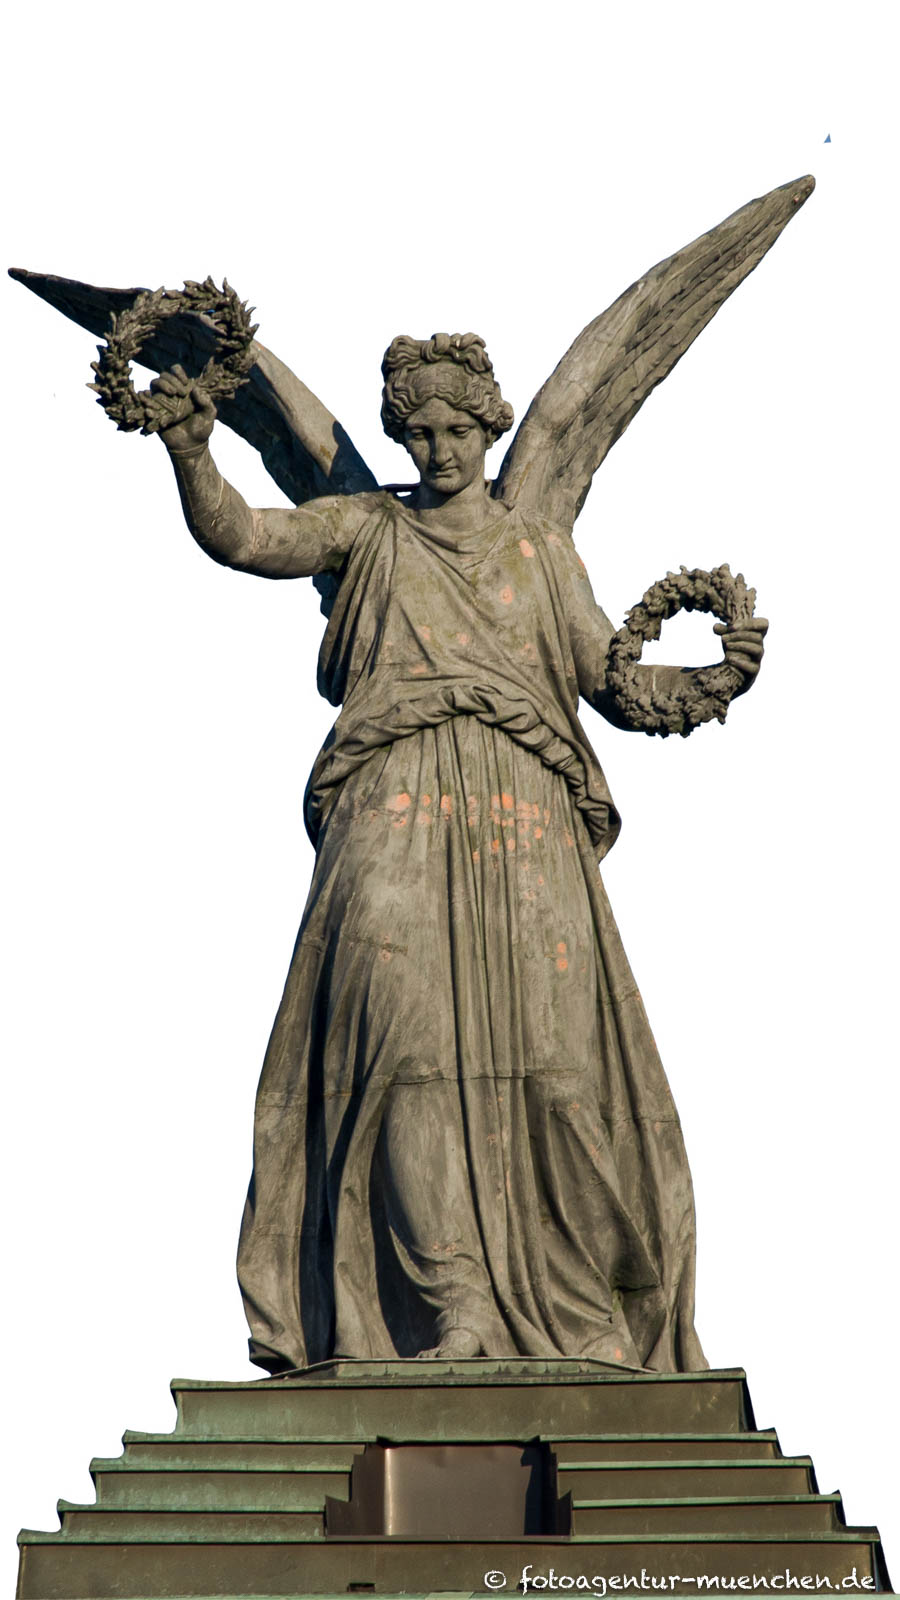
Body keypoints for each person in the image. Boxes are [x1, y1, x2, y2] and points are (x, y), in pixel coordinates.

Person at [152, 333, 765, 1374]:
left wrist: (715, 678)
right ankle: (455, 1307)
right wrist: (189, 454)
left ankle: (582, 1313)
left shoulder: (539, 553)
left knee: (558, 1068)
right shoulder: (366, 528)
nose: (439, 450)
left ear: (490, 426)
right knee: (403, 1060)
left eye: (457, 431)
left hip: (525, 813)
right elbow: (249, 536)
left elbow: (615, 684)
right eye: (421, 433)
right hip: (390, 803)